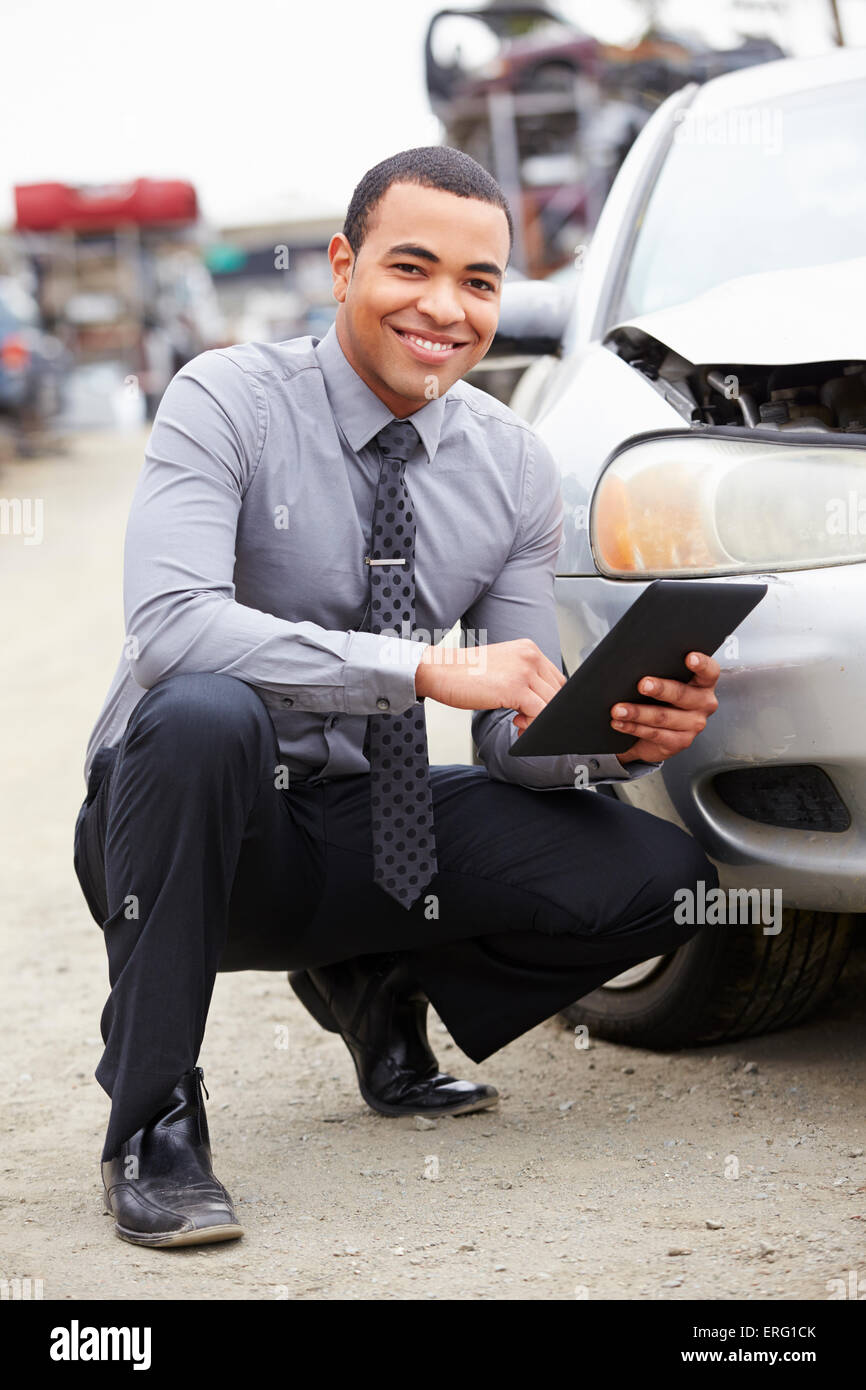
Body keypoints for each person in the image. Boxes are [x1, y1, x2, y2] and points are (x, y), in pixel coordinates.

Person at [73, 146, 721, 1249]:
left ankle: (379, 978)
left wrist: (611, 741)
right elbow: (170, 629)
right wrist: (415, 667)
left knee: (659, 875)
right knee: (203, 709)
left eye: (477, 281)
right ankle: (155, 1123)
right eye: (409, 267)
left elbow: (512, 735)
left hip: (373, 820)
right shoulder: (225, 398)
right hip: (192, 826)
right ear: (341, 265)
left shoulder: (511, 468)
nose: (444, 307)